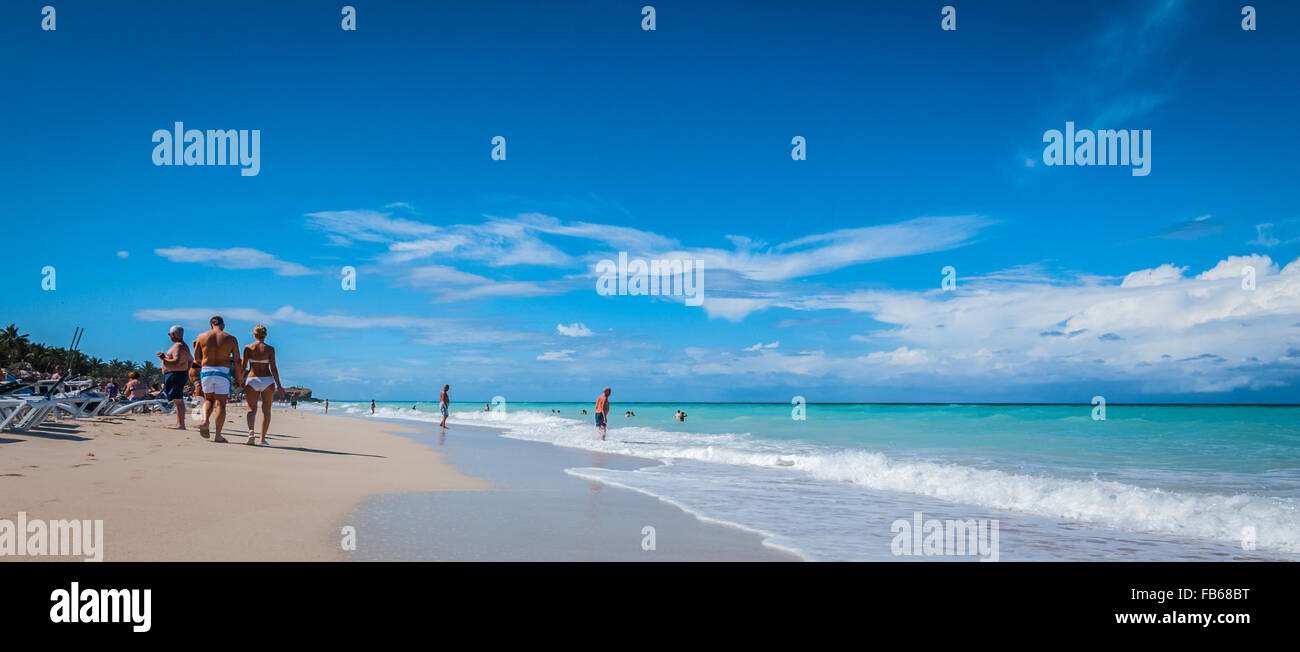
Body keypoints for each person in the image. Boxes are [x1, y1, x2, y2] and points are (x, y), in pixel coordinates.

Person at [192, 315, 243, 443]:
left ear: (211, 325)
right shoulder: (231, 339)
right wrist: (239, 377)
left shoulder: (201, 337)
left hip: (206, 372)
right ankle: (218, 435)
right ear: (223, 325)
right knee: (221, 404)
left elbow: (197, 359)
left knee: (208, 400)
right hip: (223, 373)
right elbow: (237, 360)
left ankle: (205, 421)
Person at [241, 325, 284, 446]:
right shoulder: (270, 349)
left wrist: (239, 379)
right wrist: (279, 386)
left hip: (252, 379)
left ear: (254, 335)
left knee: (251, 409)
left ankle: (251, 432)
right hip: (267, 380)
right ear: (265, 335)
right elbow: (274, 368)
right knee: (266, 410)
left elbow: (243, 366)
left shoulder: (248, 348)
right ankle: (262, 439)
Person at [156, 325, 193, 430]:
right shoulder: (183, 346)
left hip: (176, 374)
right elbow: (190, 359)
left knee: (178, 399)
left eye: (170, 334)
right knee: (177, 399)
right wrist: (186, 369)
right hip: (176, 374)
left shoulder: (178, 346)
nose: (169, 336)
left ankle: (181, 424)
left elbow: (176, 361)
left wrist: (164, 358)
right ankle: (179, 423)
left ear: (173, 335)